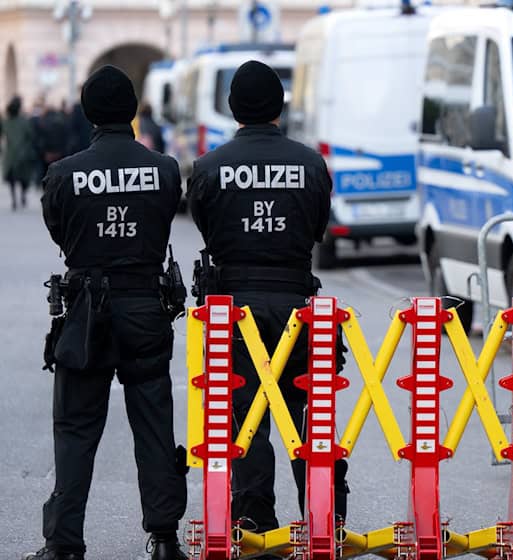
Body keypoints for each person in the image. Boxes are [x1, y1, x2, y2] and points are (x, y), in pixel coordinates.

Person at [26, 65, 188, 560]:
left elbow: (60, 232)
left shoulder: (64, 173)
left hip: (85, 311)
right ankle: (163, 539)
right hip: (145, 306)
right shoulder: (163, 169)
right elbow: (164, 221)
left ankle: (64, 544)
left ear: (89, 113)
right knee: (154, 422)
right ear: (133, 109)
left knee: (75, 426)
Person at [187, 60, 346, 549]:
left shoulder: (209, 168)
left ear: (233, 107)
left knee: (245, 413)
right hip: (299, 305)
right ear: (280, 106)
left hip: (234, 310)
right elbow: (317, 226)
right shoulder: (311, 164)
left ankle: (255, 525)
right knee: (308, 412)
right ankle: (324, 521)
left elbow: (207, 228)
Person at [3, 96, 37, 210]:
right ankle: (22, 195)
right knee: (23, 178)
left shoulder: (6, 121)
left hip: (10, 155)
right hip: (23, 153)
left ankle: (14, 199)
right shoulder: (24, 121)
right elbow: (31, 135)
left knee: (12, 179)